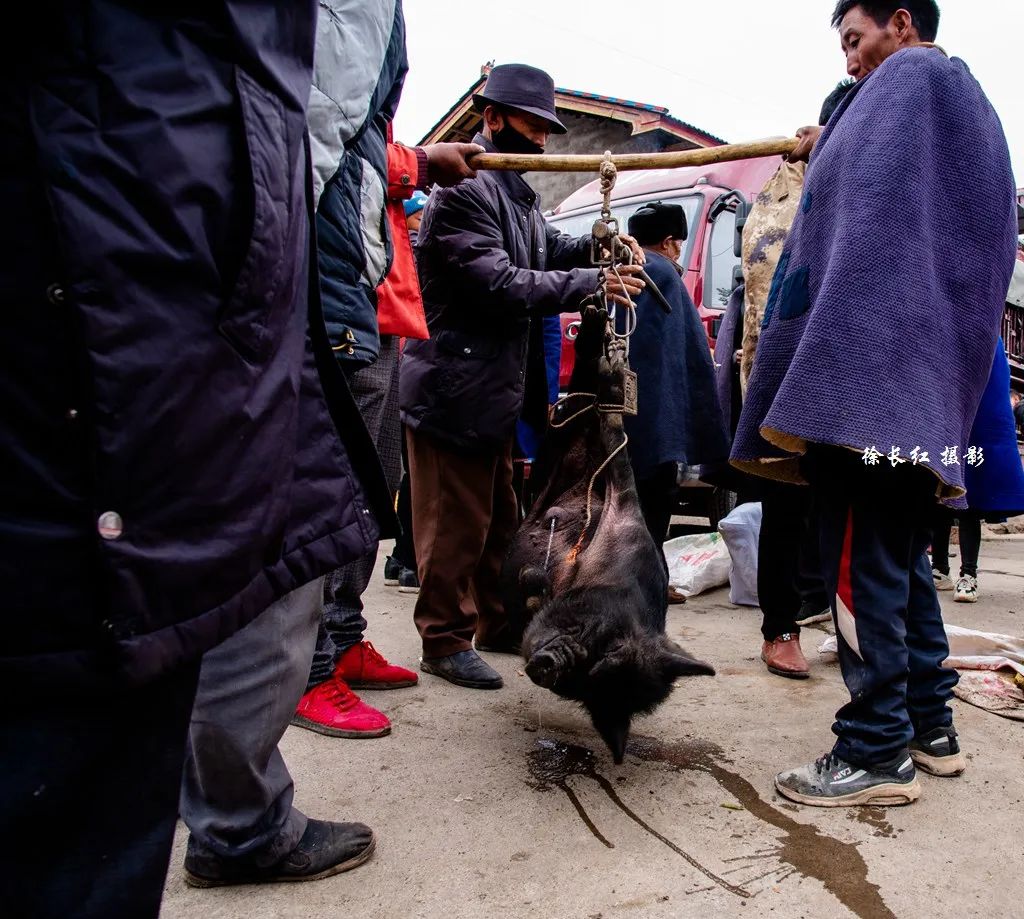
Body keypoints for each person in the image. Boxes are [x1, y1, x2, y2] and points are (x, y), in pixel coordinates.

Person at [1, 3, 396, 916]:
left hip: (192, 256)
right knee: (215, 577)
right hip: (158, 263)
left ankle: (236, 811)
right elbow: (318, 123)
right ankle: (237, 818)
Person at [178, 1, 478, 888]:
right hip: (300, 281)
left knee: (346, 509)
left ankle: (335, 646)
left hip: (331, 286)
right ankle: (239, 813)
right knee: (290, 532)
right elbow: (300, 131)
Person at [732, 0, 1018, 806]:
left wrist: (837, 139)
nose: (850, 63)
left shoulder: (910, 79)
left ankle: (874, 751)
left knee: (860, 564)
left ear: (901, 22)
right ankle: (931, 727)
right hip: (916, 395)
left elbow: (861, 222)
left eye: (855, 41)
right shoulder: (967, 107)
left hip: (866, 393)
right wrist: (838, 138)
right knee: (900, 564)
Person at [400, 63, 645, 690]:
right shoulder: (462, 195)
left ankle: (499, 622)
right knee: (454, 525)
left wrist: (603, 248)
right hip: (453, 389)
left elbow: (549, 253)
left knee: (502, 523)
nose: (539, 141)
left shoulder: (519, 201)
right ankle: (444, 638)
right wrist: (593, 281)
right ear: (492, 121)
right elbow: (499, 283)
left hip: (495, 394)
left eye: (545, 129)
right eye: (530, 126)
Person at [293, 148, 475, 740]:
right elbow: (333, 152)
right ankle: (308, 668)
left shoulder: (376, 106)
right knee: (328, 503)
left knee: (371, 500)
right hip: (340, 312)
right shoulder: (347, 100)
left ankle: (343, 638)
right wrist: (418, 164)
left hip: (381, 314)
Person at [742, 81, 853, 679]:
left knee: (851, 517)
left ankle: (850, 628)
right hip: (792, 381)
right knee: (785, 510)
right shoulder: (783, 200)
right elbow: (767, 299)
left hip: (856, 383)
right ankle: (779, 628)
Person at [620, 202, 729, 580]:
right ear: (669, 242)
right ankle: (649, 581)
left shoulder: (621, 271)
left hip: (624, 412)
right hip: (654, 417)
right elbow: (675, 360)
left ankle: (647, 576)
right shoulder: (663, 274)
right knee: (652, 500)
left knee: (625, 500)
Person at [931, 339, 1024, 602]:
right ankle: (939, 569)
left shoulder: (989, 340)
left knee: (968, 502)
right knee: (941, 499)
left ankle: (968, 573)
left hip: (974, 426)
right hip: (945, 420)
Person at [385, 190, 431, 593]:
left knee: (405, 472)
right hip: (413, 366)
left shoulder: (396, 245)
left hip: (399, 366)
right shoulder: (417, 249)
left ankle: (401, 556)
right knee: (418, 475)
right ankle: (413, 562)